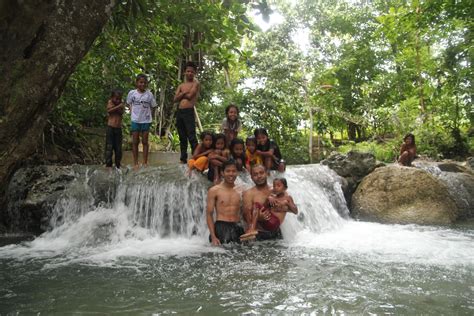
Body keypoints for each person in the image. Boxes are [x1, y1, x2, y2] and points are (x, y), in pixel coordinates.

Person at [241, 164, 283, 241]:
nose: (259, 176)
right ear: (251, 177)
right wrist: (259, 218)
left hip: (276, 231)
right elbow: (245, 215)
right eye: (255, 174)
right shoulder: (249, 193)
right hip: (258, 234)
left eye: (261, 173)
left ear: (266, 173)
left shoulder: (276, 190)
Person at [206, 160, 244, 245]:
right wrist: (213, 236)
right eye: (228, 171)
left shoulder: (242, 190)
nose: (231, 174)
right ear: (222, 173)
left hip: (237, 227)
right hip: (220, 227)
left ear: (237, 173)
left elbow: (246, 212)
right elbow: (209, 214)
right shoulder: (214, 190)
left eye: (234, 171)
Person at [126, 74, 157, 170]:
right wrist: (132, 112)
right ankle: (135, 163)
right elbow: (128, 103)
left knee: (145, 141)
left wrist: (149, 115)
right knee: (135, 141)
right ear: (136, 83)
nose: (142, 84)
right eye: (140, 82)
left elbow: (153, 106)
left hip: (146, 121)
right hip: (135, 120)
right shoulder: (132, 93)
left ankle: (145, 162)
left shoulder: (149, 94)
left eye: (144, 82)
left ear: (146, 84)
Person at [174, 61, 200, 164]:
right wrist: (185, 92)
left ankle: (196, 158)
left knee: (191, 135)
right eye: (188, 71)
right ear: (184, 72)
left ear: (195, 73)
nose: (190, 73)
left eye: (192, 72)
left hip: (189, 111)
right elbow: (175, 99)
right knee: (182, 136)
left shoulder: (196, 83)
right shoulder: (181, 85)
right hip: (180, 112)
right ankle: (183, 159)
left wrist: (182, 93)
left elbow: (190, 96)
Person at [105, 89, 125, 169]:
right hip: (110, 127)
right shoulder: (110, 102)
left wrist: (120, 106)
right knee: (109, 147)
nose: (117, 100)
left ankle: (118, 164)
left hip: (118, 128)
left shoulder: (121, 104)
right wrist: (118, 106)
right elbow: (109, 111)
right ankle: (108, 164)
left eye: (119, 99)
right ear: (112, 97)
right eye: (116, 99)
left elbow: (121, 112)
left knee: (118, 148)